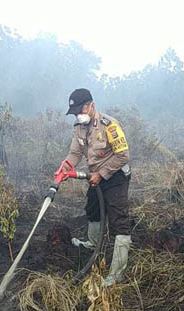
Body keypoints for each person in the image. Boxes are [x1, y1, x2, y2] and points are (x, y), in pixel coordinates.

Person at [61, 88, 132, 286]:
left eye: (80, 110)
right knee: (92, 209)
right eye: (74, 112)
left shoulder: (109, 125)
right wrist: (65, 167)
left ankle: (116, 274)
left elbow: (123, 155)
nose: (78, 115)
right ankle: (93, 244)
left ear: (91, 105)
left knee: (119, 220)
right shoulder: (79, 127)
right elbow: (75, 153)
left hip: (116, 176)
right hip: (96, 177)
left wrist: (101, 174)